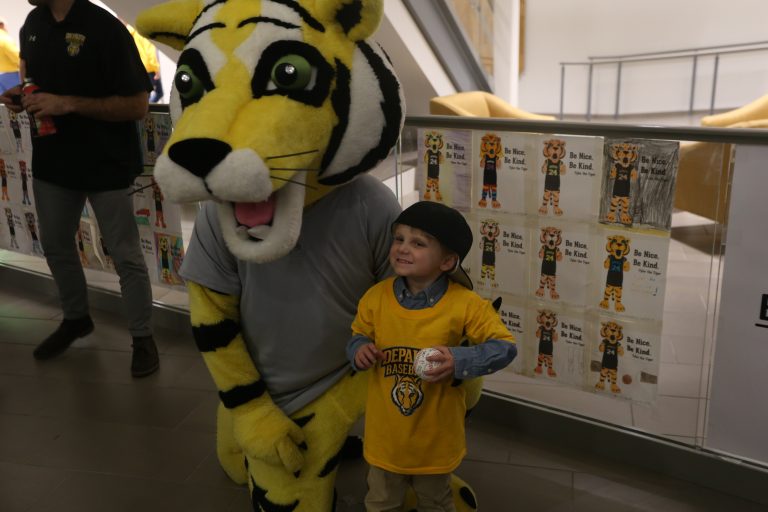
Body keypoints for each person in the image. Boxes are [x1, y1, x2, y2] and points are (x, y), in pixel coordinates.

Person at [0, 0, 158, 378]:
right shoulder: (34, 25)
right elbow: (41, 83)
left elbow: (138, 105)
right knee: (55, 244)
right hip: (53, 164)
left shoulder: (105, 27)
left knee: (126, 256)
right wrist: (23, 97)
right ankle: (76, 318)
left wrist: (67, 104)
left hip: (107, 164)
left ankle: (143, 338)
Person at [347, 201, 517, 512]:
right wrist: (359, 350)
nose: (402, 248)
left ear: (448, 261)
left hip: (435, 442)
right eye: (398, 239)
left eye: (418, 243)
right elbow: (358, 335)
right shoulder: (376, 297)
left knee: (435, 503)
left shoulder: (466, 304)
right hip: (386, 439)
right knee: (381, 502)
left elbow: (504, 347)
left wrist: (460, 360)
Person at [125, 23, 163, 103]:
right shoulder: (142, 35)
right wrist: (156, 69)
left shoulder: (131, 34)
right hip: (149, 68)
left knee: (149, 93)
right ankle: (147, 110)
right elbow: (150, 52)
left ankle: (146, 109)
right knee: (157, 93)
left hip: (140, 68)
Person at [0, 17, 20, 93]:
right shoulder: (4, 38)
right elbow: (17, 57)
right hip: (10, 75)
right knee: (17, 100)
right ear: (1, 25)